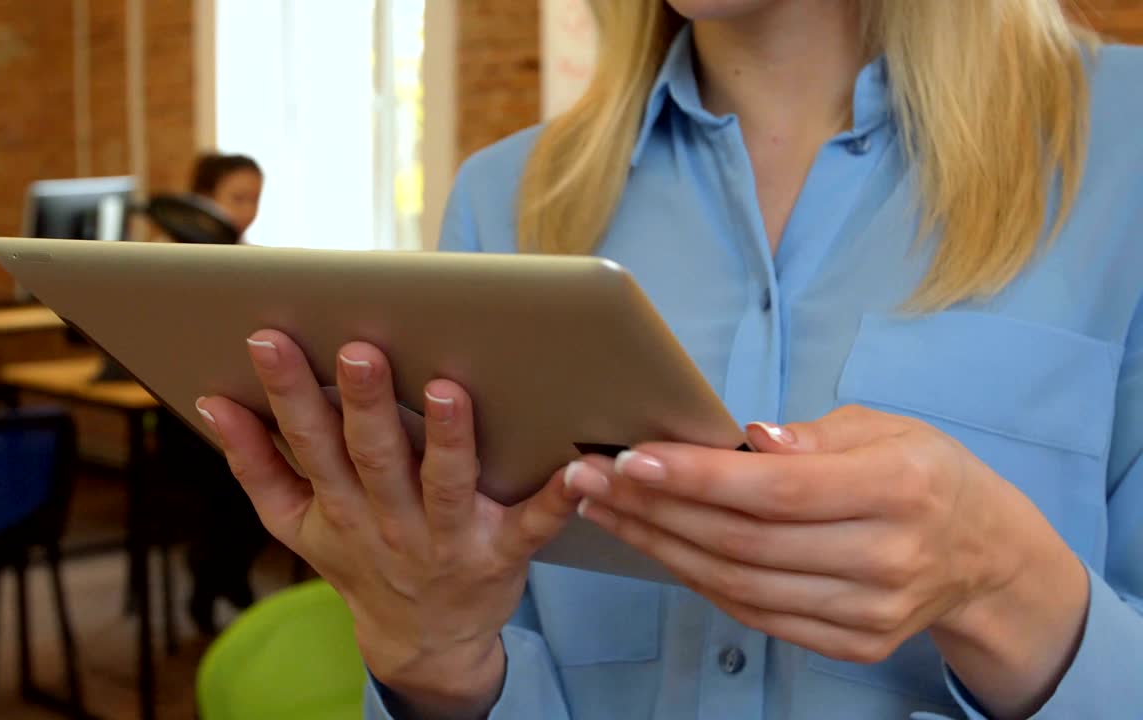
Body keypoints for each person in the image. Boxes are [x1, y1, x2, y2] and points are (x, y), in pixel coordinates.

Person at [196, 1, 1143, 717]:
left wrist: (1006, 585)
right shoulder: (505, 202)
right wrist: (430, 653)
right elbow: (479, 662)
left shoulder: (1125, 150)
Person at [158, 152, 269, 634]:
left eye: (255, 200)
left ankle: (224, 575)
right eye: (237, 198)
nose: (246, 211)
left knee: (265, 478)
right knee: (225, 486)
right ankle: (212, 580)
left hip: (240, 401)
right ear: (202, 201)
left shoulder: (247, 257)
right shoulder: (166, 259)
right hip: (187, 411)